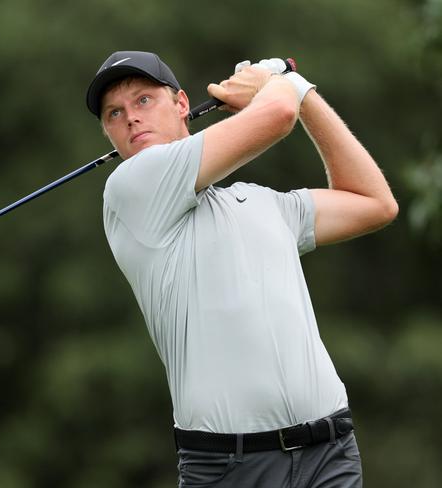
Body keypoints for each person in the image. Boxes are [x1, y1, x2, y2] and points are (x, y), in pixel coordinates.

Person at [85, 51, 398, 487]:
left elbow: (374, 203)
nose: (131, 119)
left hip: (331, 452)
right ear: (108, 133)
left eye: (143, 101)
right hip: (231, 468)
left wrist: (302, 89)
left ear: (181, 105)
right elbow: (277, 114)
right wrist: (278, 80)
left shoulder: (262, 202)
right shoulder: (130, 188)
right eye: (114, 113)